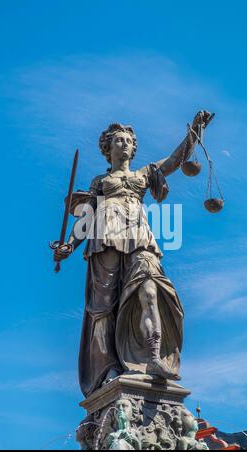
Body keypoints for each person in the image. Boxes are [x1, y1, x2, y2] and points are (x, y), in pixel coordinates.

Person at [54, 111, 213, 397]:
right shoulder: (100, 181)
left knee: (150, 291)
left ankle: (153, 358)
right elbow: (87, 217)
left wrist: (195, 133)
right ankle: (108, 368)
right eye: (118, 140)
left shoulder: (143, 175)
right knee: (104, 307)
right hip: (105, 239)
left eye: (128, 140)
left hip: (139, 237)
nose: (124, 144)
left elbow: (175, 161)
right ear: (108, 148)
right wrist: (69, 246)